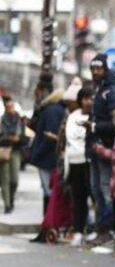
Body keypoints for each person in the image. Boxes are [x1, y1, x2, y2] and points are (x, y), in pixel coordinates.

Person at [85, 53, 115, 240]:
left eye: (99, 68)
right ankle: (101, 228)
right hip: (94, 148)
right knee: (96, 189)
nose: (95, 72)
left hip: (106, 148)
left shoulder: (110, 92)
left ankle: (110, 227)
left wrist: (94, 126)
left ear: (105, 69)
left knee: (106, 189)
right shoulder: (97, 90)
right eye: (93, 69)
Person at [29, 87, 68, 216]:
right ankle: (49, 219)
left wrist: (38, 153)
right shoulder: (59, 110)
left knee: (48, 189)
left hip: (46, 156)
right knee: (50, 188)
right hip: (51, 155)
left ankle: (48, 219)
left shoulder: (51, 110)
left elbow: (49, 134)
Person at [65, 87, 94, 247]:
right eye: (85, 98)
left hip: (90, 160)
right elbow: (71, 137)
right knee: (78, 198)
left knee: (94, 195)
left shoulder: (95, 115)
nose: (88, 102)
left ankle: (94, 229)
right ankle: (78, 231)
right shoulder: (73, 117)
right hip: (74, 161)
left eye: (91, 98)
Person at [0, 95, 25, 214]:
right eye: (8, 107)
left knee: (14, 180)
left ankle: (11, 197)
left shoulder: (20, 121)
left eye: (12, 106)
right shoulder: (1, 120)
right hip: (4, 151)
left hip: (15, 151)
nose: (10, 109)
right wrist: (8, 138)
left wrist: (19, 139)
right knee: (5, 179)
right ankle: (7, 204)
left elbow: (25, 138)